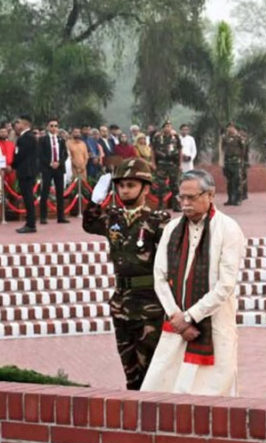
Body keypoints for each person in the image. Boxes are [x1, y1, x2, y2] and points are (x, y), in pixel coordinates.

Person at [143, 169, 246, 396]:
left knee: (212, 395)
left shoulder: (228, 229)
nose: (185, 203)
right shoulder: (172, 229)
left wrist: (190, 317)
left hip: (214, 324)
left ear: (210, 195)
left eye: (191, 197)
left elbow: (225, 285)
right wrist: (176, 317)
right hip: (176, 326)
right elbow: (160, 276)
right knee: (162, 389)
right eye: (181, 197)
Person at [83, 159, 171, 390]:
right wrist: (95, 201)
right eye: (121, 185)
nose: (124, 190)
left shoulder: (158, 220)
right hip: (121, 304)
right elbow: (89, 224)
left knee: (151, 372)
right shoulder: (113, 218)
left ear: (145, 188)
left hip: (149, 305)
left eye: (131, 185)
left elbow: (170, 262)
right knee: (130, 373)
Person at [37, 119, 68, 224]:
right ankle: (43, 217)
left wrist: (59, 162)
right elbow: (40, 154)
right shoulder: (42, 140)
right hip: (47, 168)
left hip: (59, 168)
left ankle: (61, 216)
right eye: (51, 126)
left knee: (60, 192)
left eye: (55, 126)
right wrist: (50, 163)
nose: (54, 128)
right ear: (48, 127)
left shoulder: (61, 140)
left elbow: (65, 154)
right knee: (45, 192)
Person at [12, 115, 38, 234]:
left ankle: (30, 224)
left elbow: (20, 155)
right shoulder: (30, 137)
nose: (18, 125)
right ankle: (30, 222)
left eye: (20, 123)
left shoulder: (25, 138)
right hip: (29, 171)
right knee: (28, 197)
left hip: (25, 171)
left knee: (28, 198)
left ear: (25, 124)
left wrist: (13, 165)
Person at [152, 120, 183, 211]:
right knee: (161, 185)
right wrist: (153, 163)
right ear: (163, 128)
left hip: (173, 164)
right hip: (161, 164)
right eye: (166, 126)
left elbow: (180, 150)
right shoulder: (157, 137)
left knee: (175, 185)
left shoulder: (176, 137)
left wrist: (180, 164)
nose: (168, 128)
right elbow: (153, 150)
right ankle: (161, 205)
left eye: (169, 126)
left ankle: (176, 205)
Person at [221, 122, 246, 207]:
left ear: (234, 128)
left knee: (237, 181)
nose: (230, 129)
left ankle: (238, 199)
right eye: (228, 127)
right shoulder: (225, 138)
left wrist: (242, 160)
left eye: (232, 127)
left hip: (236, 162)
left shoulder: (239, 138)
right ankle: (230, 199)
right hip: (228, 162)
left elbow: (243, 149)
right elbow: (223, 149)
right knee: (229, 182)